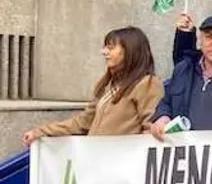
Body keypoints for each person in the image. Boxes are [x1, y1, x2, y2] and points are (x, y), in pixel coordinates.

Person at [21, 27, 163, 146]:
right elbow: (83, 122)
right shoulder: (108, 85)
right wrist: (43, 131)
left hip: (122, 169)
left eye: (111, 47)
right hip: (96, 164)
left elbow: (152, 128)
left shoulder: (148, 84)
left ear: (130, 50)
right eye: (105, 47)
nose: (104, 52)